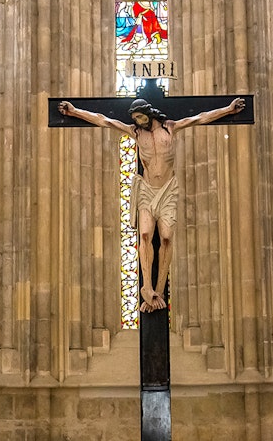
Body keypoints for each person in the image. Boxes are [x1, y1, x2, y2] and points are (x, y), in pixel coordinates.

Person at [57, 97, 245, 312]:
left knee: (166, 237)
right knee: (145, 235)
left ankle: (159, 289)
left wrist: (229, 110)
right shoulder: (135, 132)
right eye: (135, 119)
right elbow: (104, 120)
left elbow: (200, 118)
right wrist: (74, 112)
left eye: (140, 116)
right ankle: (147, 287)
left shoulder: (170, 127)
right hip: (147, 189)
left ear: (149, 112)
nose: (138, 121)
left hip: (168, 190)